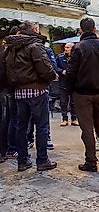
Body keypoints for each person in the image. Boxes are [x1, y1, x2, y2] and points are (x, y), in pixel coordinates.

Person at [2, 21, 57, 171]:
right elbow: (45, 67)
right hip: (37, 90)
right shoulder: (35, 45)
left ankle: (22, 160)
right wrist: (53, 76)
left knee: (21, 126)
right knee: (41, 126)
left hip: (18, 91)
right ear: (34, 30)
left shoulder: (11, 47)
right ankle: (42, 160)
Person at [64, 18, 99, 172]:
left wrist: (70, 88)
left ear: (81, 30)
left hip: (82, 92)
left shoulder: (79, 48)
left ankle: (91, 161)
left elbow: (71, 72)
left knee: (86, 127)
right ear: (94, 29)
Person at [56, 42, 78, 126]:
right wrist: (62, 71)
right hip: (63, 82)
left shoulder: (76, 57)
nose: (66, 49)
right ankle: (64, 119)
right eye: (65, 47)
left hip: (74, 83)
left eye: (68, 47)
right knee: (63, 102)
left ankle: (74, 119)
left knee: (74, 102)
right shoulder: (60, 57)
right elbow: (55, 66)